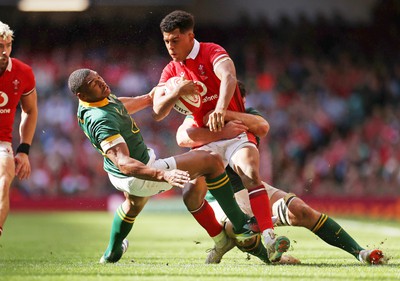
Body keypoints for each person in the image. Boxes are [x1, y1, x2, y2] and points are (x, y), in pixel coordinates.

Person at [179, 81, 387, 265]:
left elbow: (262, 126)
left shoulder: (248, 115)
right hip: (220, 195)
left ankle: (360, 252)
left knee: (301, 210)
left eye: (238, 100)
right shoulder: (199, 117)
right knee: (240, 231)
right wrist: (219, 127)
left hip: (251, 188)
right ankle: (270, 256)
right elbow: (183, 137)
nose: (237, 104)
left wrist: (228, 113)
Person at [67, 68, 256, 263]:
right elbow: (124, 163)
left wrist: (148, 98)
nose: (101, 82)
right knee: (212, 161)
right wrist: (162, 175)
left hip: (118, 174)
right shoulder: (100, 120)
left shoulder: (94, 99)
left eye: (99, 77)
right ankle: (242, 226)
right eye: (94, 83)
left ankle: (112, 252)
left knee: (133, 205)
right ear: (81, 94)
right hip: (135, 173)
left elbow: (117, 106)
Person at [152, 10, 289, 263]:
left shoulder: (212, 51)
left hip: (234, 133)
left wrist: (220, 109)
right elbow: (158, 111)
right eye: (166, 41)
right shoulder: (171, 70)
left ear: (190, 36)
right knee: (189, 195)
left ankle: (268, 235)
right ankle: (220, 239)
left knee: (250, 172)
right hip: (206, 141)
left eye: (175, 40)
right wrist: (176, 92)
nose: (170, 47)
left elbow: (228, 76)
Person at [0, 21, 38, 237]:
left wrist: (23, 150)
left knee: (3, 181)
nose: (4, 51)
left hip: (2, 143)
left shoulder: (23, 72)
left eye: (7, 45)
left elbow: (30, 110)